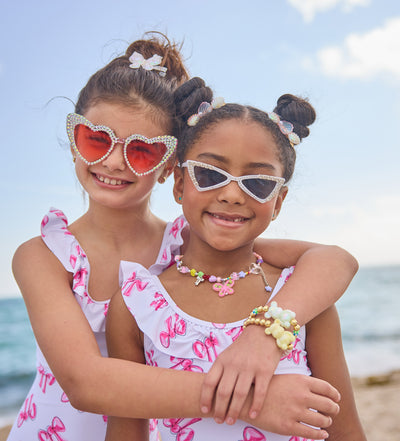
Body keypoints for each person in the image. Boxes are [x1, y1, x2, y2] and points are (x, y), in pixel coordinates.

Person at [7, 33, 356, 441]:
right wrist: (252, 399)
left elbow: (333, 261)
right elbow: (87, 383)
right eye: (97, 139)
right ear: (73, 140)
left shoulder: (191, 243)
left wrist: (264, 336)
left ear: (169, 164)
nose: (114, 161)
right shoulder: (43, 255)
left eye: (142, 150)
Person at [105, 79, 366, 441]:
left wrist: (265, 337)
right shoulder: (137, 304)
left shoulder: (302, 298)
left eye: (257, 182)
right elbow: (126, 429)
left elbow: (345, 430)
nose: (231, 194)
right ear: (180, 183)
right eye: (210, 175)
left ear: (278, 201)